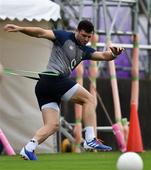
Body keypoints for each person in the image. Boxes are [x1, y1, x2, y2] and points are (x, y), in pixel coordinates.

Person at [4, 20, 124, 160]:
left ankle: (29, 148)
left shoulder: (85, 50)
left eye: (88, 37)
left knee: (53, 125)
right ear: (77, 31)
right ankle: (90, 139)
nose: (86, 39)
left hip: (44, 86)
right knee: (89, 99)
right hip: (53, 79)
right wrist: (20, 28)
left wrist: (114, 54)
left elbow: (103, 56)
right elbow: (40, 33)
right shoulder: (63, 36)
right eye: (83, 35)